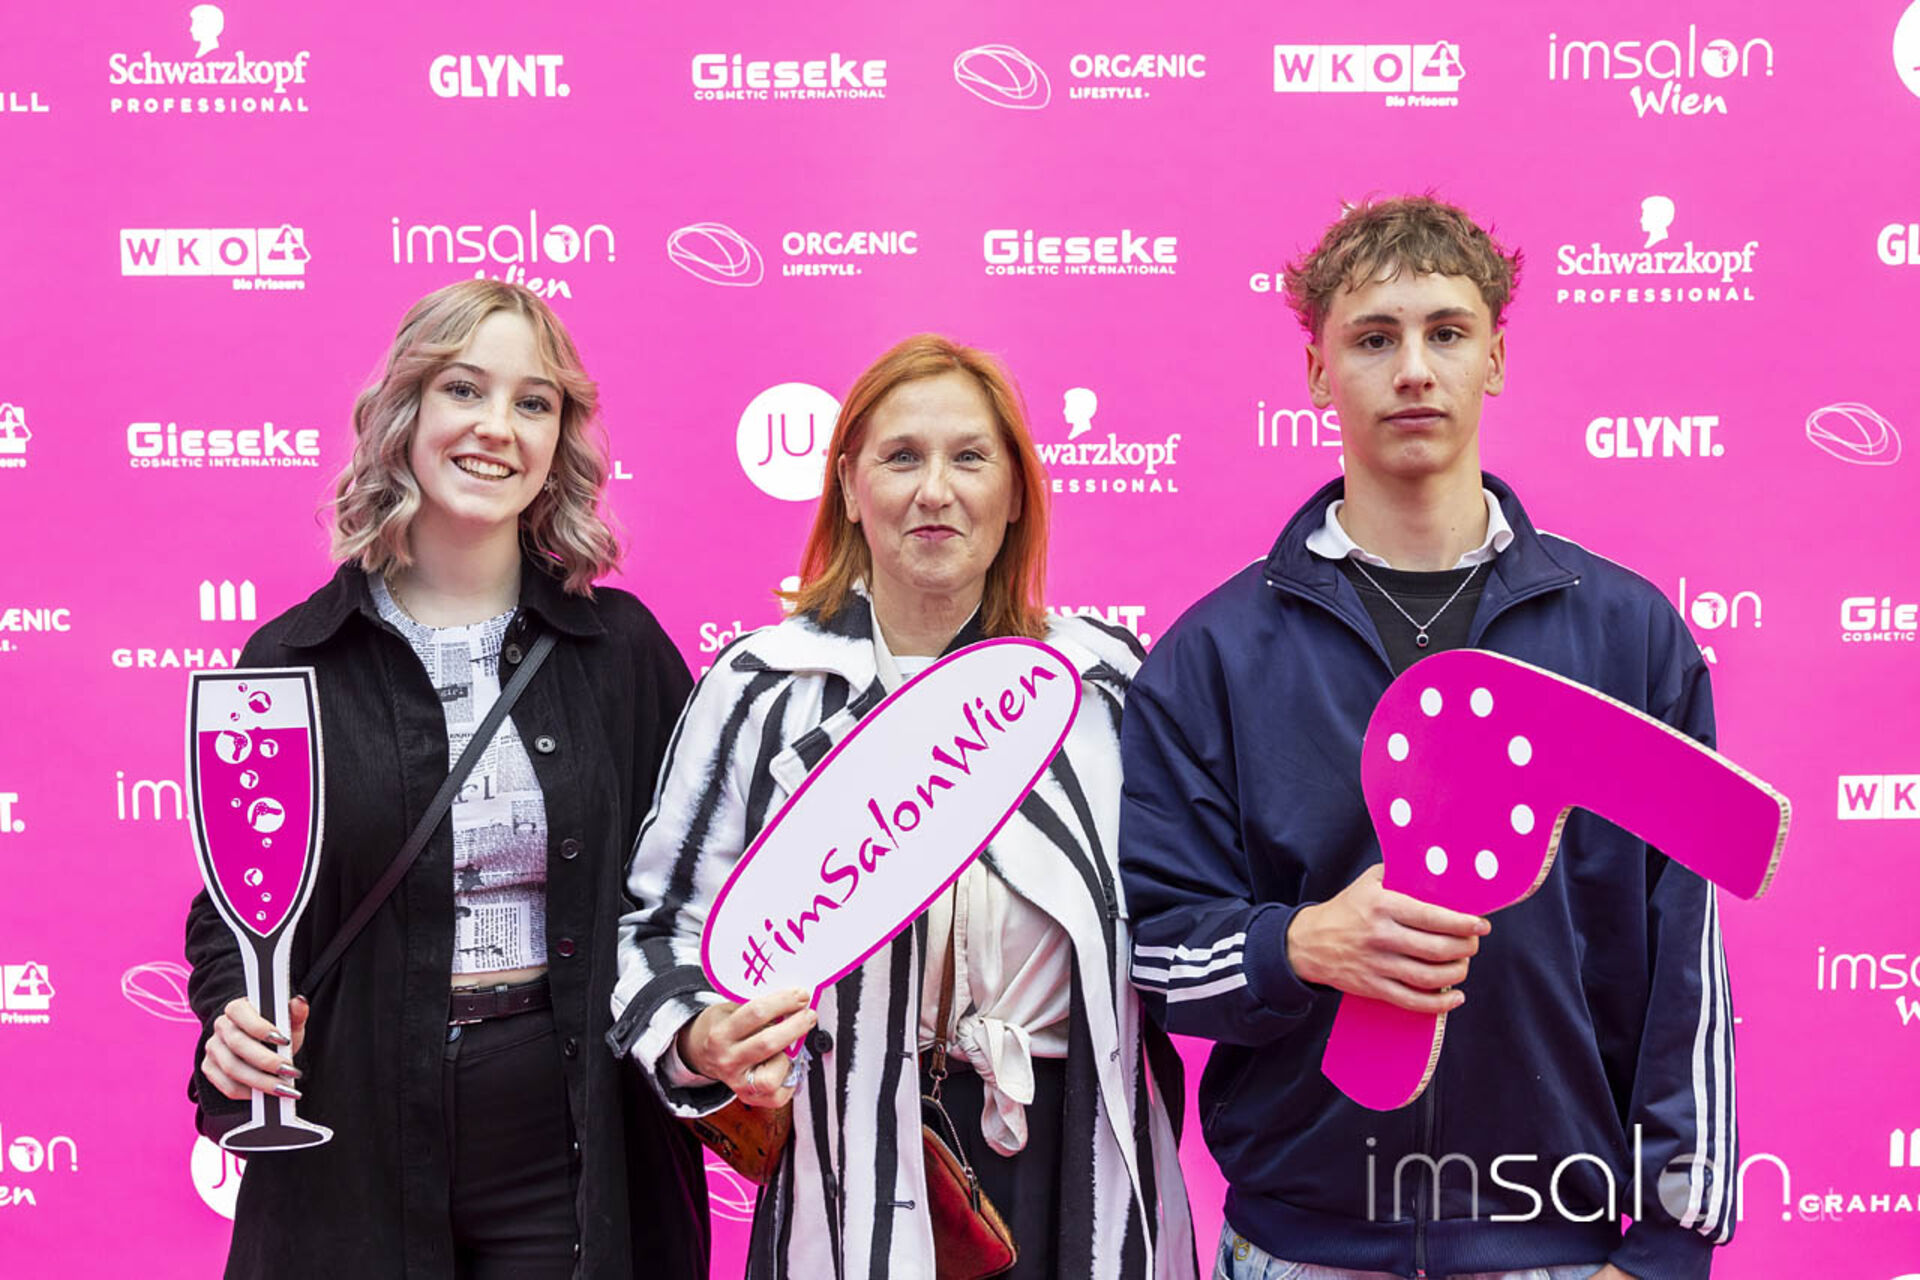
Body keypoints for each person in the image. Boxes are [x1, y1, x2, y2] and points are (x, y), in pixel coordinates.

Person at [1118, 197, 1734, 1280]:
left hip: (1562, 1241)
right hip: (1302, 1246)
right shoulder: (1216, 653)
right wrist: (1296, 945)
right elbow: (1151, 954)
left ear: (1494, 357)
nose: (1413, 370)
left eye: (1446, 332)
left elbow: (1685, 960)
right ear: (1318, 373)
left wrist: (1665, 1249)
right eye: (1373, 339)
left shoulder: (1628, 636)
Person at [610, 334, 1196, 1279]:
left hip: (1075, 1161)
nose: (935, 490)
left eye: (969, 457)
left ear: (1016, 492)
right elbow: (659, 927)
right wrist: (697, 1035)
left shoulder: (1103, 685)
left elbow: (1185, 909)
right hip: (846, 1164)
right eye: (901, 457)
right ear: (849, 487)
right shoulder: (764, 687)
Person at [185, 280, 708, 1279]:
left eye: (533, 401)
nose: (497, 426)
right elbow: (235, 903)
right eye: (465, 388)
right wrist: (231, 1014)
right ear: (407, 409)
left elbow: (689, 890)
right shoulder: (292, 660)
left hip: (573, 1136)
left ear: (559, 437)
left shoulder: (622, 652)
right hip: (352, 1131)